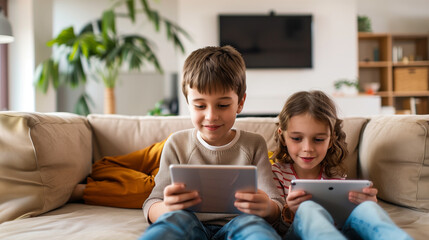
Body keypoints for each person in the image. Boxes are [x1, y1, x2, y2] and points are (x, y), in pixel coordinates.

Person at [139, 45, 284, 240]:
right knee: (171, 224)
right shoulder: (177, 143)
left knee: (255, 228)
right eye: (200, 105)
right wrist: (167, 207)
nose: (211, 116)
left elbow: (276, 203)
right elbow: (152, 203)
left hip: (240, 223)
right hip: (188, 221)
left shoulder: (254, 144)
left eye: (223, 105)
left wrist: (267, 207)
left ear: (240, 103)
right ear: (188, 103)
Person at [271, 90, 412, 240]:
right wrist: (289, 212)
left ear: (331, 140)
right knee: (308, 208)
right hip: (297, 234)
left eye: (318, 139)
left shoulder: (336, 178)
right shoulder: (275, 175)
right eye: (297, 138)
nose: (308, 148)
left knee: (367, 208)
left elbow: (344, 221)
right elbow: (273, 229)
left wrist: (365, 205)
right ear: (283, 136)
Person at [69, 138, 168, 208]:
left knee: (154, 189)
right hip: (172, 146)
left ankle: (84, 190)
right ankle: (89, 187)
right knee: (154, 188)